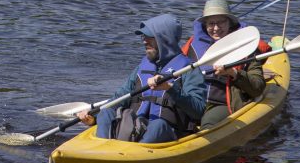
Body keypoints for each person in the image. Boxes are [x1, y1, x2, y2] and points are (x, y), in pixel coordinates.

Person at [77, 14, 206, 143]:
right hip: (137, 127)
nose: (144, 41)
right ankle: (101, 150)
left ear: (165, 39)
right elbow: (119, 98)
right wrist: (93, 116)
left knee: (158, 125)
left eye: (149, 37)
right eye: (143, 37)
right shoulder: (142, 68)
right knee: (106, 112)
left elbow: (198, 110)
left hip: (168, 132)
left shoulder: (189, 69)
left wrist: (170, 89)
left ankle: (130, 158)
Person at [182, 0, 268, 130]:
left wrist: (233, 73)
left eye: (221, 22)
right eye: (211, 23)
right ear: (205, 25)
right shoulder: (193, 45)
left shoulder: (247, 48)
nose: (216, 28)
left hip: (222, 104)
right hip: (194, 99)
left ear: (230, 23)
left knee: (209, 123)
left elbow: (258, 87)